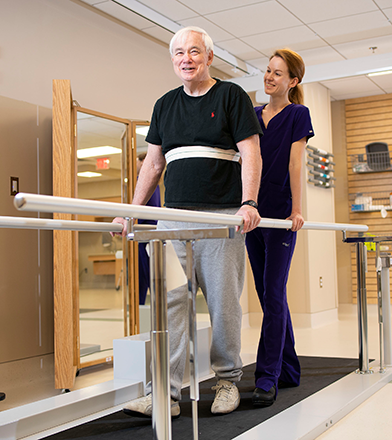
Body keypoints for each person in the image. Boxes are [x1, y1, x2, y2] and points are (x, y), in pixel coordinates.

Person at [115, 26, 262, 417]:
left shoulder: (230, 96)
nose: (186, 58)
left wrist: (249, 202)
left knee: (223, 303)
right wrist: (132, 212)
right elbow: (153, 163)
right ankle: (164, 392)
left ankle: (228, 380)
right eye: (179, 52)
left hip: (221, 219)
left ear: (209, 57)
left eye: (194, 51)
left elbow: (251, 153)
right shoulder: (164, 105)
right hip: (171, 223)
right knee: (170, 305)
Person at [246, 49, 314, 407]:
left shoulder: (297, 114)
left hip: (281, 218)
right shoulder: (254, 116)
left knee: (273, 295)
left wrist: (298, 210)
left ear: (292, 81)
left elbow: (295, 163)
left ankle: (266, 377)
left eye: (277, 73)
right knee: (269, 296)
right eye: (267, 71)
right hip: (254, 216)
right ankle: (289, 370)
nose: (269, 77)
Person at [136, 152, 161, 305]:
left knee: (147, 271)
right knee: (145, 273)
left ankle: (152, 304)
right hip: (149, 229)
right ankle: (141, 305)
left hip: (146, 230)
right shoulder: (155, 184)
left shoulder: (144, 182)